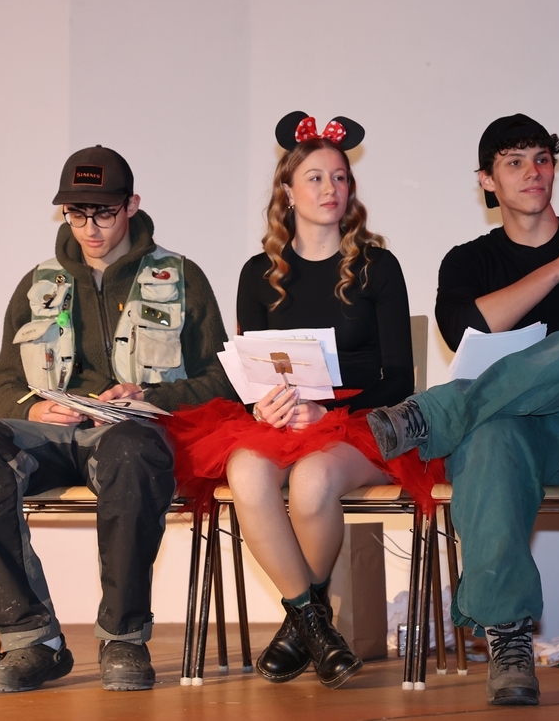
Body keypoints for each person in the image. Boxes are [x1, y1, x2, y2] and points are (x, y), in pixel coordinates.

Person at [368, 114, 559, 706]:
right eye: (514, 162)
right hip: (517, 444)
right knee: (493, 435)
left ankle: (433, 414)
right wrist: (557, 270)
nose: (533, 172)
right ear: (487, 180)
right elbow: (464, 331)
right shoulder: (467, 263)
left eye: (542, 158)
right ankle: (509, 642)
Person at [0, 145, 235, 693]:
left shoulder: (181, 277)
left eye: (103, 213)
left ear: (132, 205)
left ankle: (123, 637)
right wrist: (32, 408)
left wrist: (151, 395)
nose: (90, 228)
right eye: (77, 214)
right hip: (53, 436)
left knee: (130, 448)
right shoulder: (38, 284)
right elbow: (6, 384)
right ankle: (33, 642)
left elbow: (223, 380)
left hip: (136, 436)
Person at [169, 111, 445, 689]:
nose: (330, 189)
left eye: (340, 177)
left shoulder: (377, 267)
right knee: (246, 472)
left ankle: (301, 625)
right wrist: (261, 408)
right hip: (283, 417)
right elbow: (251, 374)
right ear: (288, 192)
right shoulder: (258, 273)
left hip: (361, 416)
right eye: (315, 178)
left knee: (314, 481)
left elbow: (401, 378)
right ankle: (315, 625)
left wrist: (330, 412)